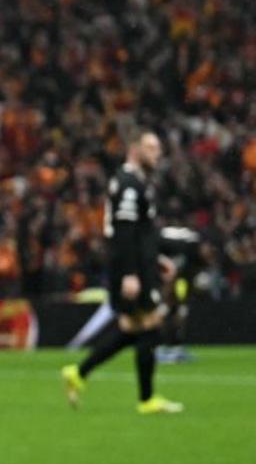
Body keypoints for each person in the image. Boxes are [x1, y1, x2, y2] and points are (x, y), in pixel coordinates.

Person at [62, 131, 183, 414]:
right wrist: (131, 273)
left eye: (158, 149)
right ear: (134, 150)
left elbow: (142, 234)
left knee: (133, 331)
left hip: (139, 266)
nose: (157, 154)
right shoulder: (129, 184)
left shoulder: (134, 182)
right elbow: (125, 233)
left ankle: (79, 373)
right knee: (150, 327)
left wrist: (157, 259)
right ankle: (146, 399)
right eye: (151, 148)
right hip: (132, 270)